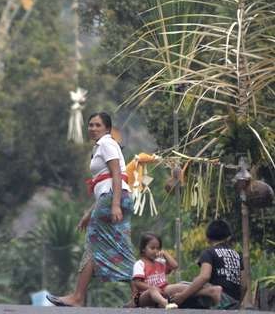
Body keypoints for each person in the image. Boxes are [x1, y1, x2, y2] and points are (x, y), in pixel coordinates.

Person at [47, 112, 135, 307]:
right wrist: (89, 212)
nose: (93, 128)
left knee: (93, 245)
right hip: (114, 198)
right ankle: (138, 297)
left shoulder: (106, 143)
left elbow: (117, 175)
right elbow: (105, 183)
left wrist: (114, 204)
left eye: (97, 125)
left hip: (114, 198)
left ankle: (78, 297)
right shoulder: (102, 146)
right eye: (90, 125)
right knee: (122, 247)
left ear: (107, 129)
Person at [132, 232, 221, 309]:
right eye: (152, 248)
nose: (156, 251)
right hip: (144, 295)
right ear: (143, 249)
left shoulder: (159, 262)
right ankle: (165, 303)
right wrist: (153, 288)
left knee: (179, 286)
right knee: (152, 290)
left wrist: (165, 254)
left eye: (158, 248)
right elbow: (137, 283)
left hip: (163, 290)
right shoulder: (140, 264)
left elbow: (175, 266)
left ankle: (210, 292)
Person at [171, 219, 245, 310]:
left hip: (216, 298)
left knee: (174, 289)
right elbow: (244, 285)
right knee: (194, 284)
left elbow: (204, 277)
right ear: (228, 237)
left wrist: (182, 296)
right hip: (232, 301)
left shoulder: (209, 253)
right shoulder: (237, 255)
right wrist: (237, 303)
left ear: (207, 238)